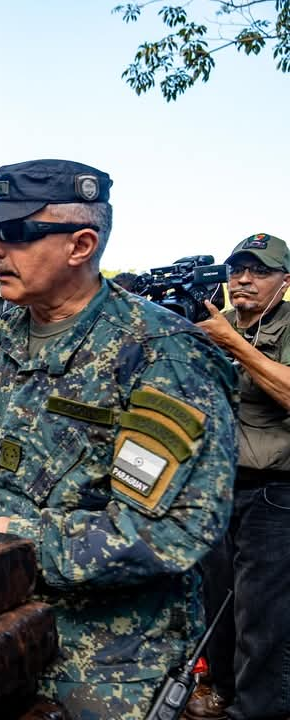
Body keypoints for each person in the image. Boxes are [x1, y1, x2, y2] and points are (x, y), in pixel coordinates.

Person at [0, 159, 236, 719]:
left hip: (109, 670)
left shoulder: (161, 354)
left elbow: (172, 529)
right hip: (7, 634)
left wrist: (25, 541)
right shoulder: (5, 336)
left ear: (80, 244)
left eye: (13, 233)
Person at [190, 232, 290, 720]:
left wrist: (232, 344)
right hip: (215, 489)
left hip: (274, 493)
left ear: (284, 281)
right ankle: (223, 690)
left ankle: (257, 710)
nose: (244, 279)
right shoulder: (213, 323)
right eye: (236, 270)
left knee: (262, 614)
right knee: (217, 604)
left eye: (259, 271)